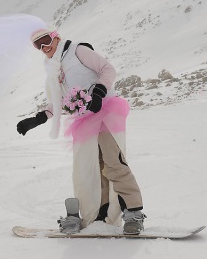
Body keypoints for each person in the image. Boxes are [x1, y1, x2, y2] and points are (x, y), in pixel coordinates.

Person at [16, 26, 146, 235]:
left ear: (56, 37)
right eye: (38, 45)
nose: (44, 47)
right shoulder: (53, 68)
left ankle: (134, 212)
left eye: (46, 40)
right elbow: (58, 102)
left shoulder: (77, 50)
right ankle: (94, 217)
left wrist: (98, 92)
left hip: (105, 113)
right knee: (85, 170)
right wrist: (38, 119)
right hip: (84, 121)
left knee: (114, 164)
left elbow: (108, 69)